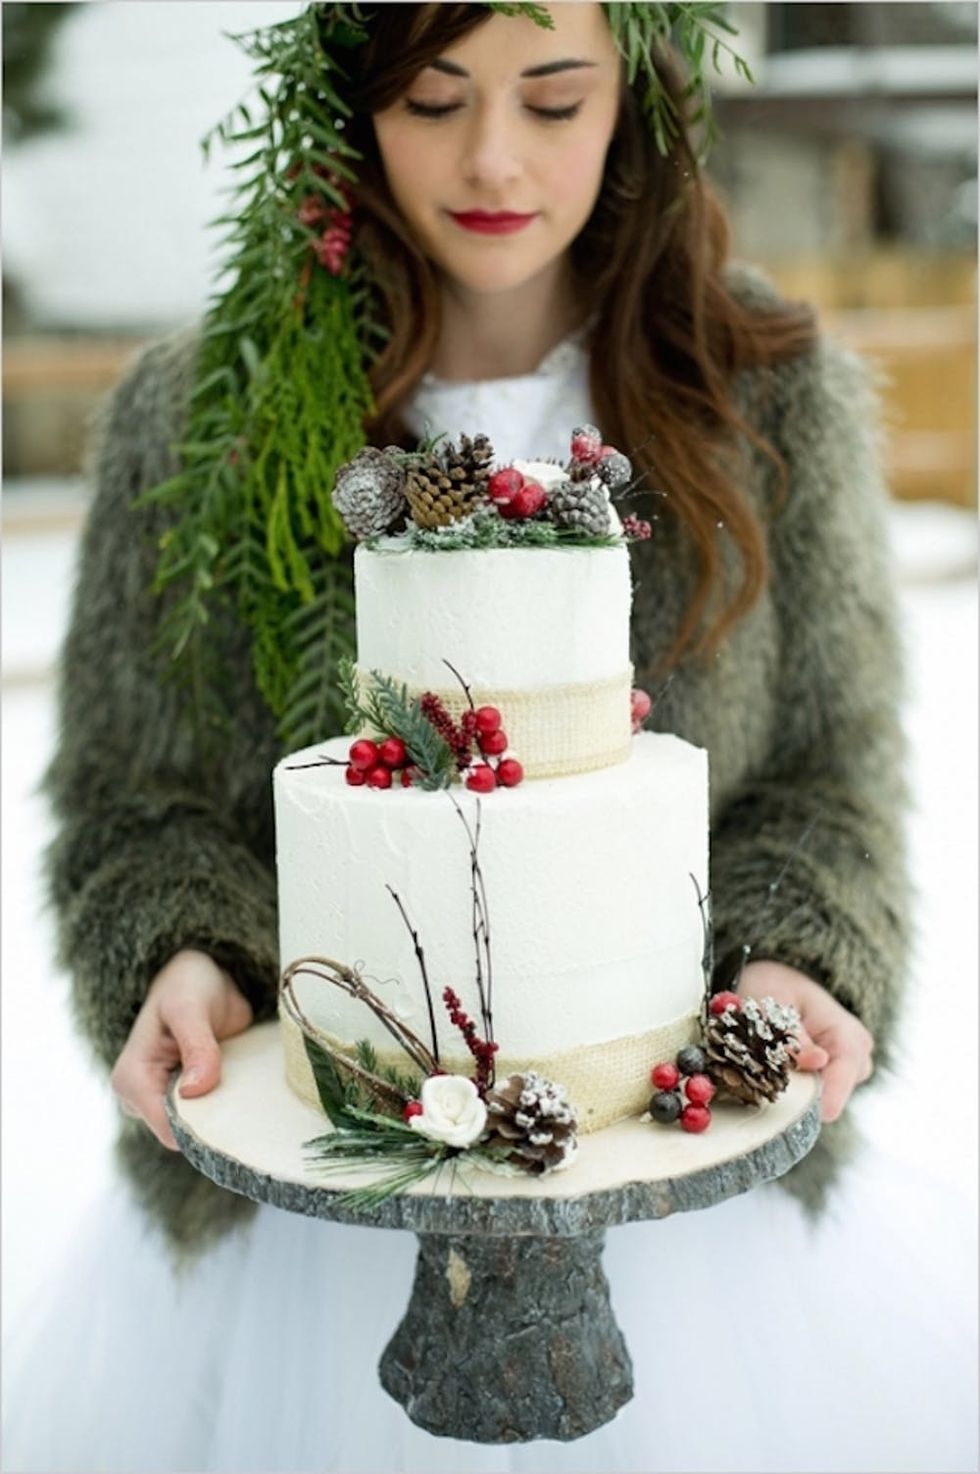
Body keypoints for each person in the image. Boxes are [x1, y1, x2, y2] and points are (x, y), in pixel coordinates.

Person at [6, 5, 970, 1472]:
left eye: (554, 97)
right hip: (318, 1204)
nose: (493, 156)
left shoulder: (760, 393)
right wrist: (181, 952)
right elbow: (130, 793)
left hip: (673, 1196)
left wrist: (798, 959)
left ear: (634, 107)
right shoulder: (206, 418)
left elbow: (830, 774)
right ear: (349, 107)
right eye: (434, 99)